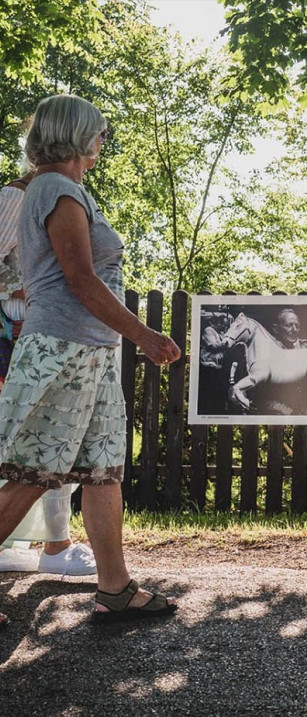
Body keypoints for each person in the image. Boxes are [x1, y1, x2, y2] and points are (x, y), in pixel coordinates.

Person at [0, 94, 181, 628]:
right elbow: (80, 279)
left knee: (103, 471)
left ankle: (116, 589)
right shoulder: (54, 188)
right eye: (99, 133)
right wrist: (145, 335)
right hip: (64, 350)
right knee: (35, 470)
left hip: (91, 352)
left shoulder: (67, 189)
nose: (103, 141)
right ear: (77, 135)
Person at [0, 169, 96, 577]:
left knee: (58, 439)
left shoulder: (65, 195)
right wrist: (18, 286)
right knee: (38, 440)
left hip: (54, 332)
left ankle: (51, 542)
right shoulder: (13, 196)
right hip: (16, 338)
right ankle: (52, 545)